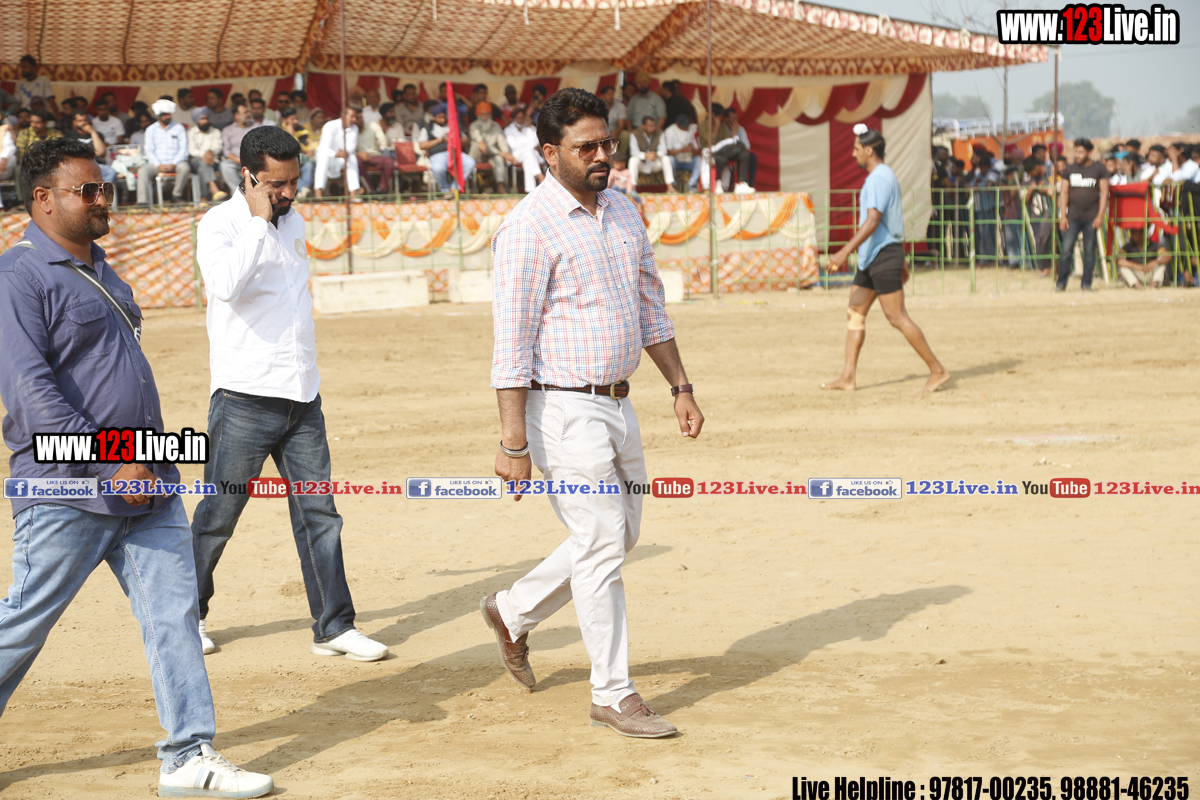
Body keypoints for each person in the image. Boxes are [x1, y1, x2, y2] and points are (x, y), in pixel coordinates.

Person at [0, 137, 273, 798]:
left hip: (147, 483)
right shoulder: (19, 276)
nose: (103, 200)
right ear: (43, 199)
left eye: (105, 188)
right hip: (67, 489)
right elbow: (31, 394)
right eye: (87, 190)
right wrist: (110, 463)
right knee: (23, 625)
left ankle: (188, 754)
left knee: (175, 617)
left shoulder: (102, 270)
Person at [486, 88, 703, 739]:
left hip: (619, 403)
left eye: (607, 143)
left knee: (619, 535)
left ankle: (512, 611)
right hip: (561, 409)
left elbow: (650, 308)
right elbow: (511, 344)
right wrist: (513, 443)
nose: (602, 155)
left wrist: (680, 385)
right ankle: (612, 692)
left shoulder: (624, 210)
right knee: (604, 540)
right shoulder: (527, 229)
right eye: (587, 147)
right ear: (549, 154)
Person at [193, 126, 388, 663]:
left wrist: (273, 216)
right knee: (219, 514)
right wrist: (258, 222)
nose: (286, 193)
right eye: (275, 184)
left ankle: (334, 627)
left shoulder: (295, 220)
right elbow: (225, 286)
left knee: (320, 514)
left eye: (293, 181)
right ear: (249, 176)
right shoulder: (220, 224)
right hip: (244, 397)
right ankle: (187, 616)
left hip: (303, 395)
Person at [822, 124, 949, 394]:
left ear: (869, 151)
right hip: (874, 256)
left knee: (896, 317)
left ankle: (938, 370)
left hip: (881, 255)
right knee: (855, 310)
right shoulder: (882, 176)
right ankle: (847, 377)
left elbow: (873, 220)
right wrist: (900, 259)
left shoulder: (879, 178)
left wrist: (844, 252)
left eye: (856, 149)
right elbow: (891, 222)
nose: (853, 154)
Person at [1056, 137, 1109, 292]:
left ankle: (1086, 284)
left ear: (1089, 153)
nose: (1077, 155)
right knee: (1066, 249)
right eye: (1076, 152)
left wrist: (1100, 216)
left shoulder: (1099, 169)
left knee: (1089, 251)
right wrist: (1063, 216)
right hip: (1072, 217)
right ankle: (1061, 284)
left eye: (1080, 152)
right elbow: (1064, 193)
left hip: (1091, 217)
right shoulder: (1069, 170)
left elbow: (1104, 193)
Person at [135, 99, 191, 204]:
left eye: (169, 114)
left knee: (185, 168)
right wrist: (158, 165)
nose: (168, 116)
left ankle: (176, 195)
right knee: (143, 171)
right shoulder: (151, 130)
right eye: (165, 115)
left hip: (176, 163)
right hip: (157, 164)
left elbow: (184, 150)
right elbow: (149, 151)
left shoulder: (179, 128)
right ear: (158, 116)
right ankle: (143, 201)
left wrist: (174, 163)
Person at [418, 102, 474, 196]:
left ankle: (454, 188)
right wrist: (439, 140)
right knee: (438, 168)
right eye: (439, 117)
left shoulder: (453, 126)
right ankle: (445, 190)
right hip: (437, 154)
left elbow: (466, 141)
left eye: (444, 117)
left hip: (455, 152)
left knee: (470, 163)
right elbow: (422, 145)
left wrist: (454, 140)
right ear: (434, 118)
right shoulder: (427, 128)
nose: (443, 119)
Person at [469, 102, 519, 193]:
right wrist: (501, 153)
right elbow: (482, 145)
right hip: (477, 155)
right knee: (480, 144)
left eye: (487, 114)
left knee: (499, 158)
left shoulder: (495, 125)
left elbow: (501, 140)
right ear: (478, 115)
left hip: (491, 155)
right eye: (483, 114)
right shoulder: (474, 126)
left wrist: (506, 152)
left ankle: (500, 185)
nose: (485, 116)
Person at [15, 110, 63, 201]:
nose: (33, 125)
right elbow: (21, 155)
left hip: (51, 163)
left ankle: (57, 198)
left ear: (45, 123)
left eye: (37, 122)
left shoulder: (56, 134)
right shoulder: (24, 133)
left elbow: (60, 153)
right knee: (18, 169)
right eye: (32, 122)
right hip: (31, 163)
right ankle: (23, 201)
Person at [314, 106, 361, 198]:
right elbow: (324, 147)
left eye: (355, 117)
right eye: (352, 117)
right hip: (328, 157)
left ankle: (354, 194)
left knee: (352, 157)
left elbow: (352, 146)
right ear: (343, 116)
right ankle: (318, 193)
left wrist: (346, 153)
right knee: (323, 157)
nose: (354, 120)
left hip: (341, 158)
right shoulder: (330, 125)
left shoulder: (355, 128)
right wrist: (335, 154)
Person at [64, 110, 118, 184]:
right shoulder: (69, 136)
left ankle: (101, 190)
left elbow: (101, 152)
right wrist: (92, 154)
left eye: (85, 120)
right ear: (74, 122)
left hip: (95, 164)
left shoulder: (98, 134)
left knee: (110, 171)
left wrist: (92, 132)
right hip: (77, 166)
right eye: (80, 121)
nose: (83, 123)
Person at [218, 102, 260, 195]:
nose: (248, 114)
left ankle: (257, 193)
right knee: (225, 166)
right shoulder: (228, 130)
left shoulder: (257, 127)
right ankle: (239, 193)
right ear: (237, 116)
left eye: (248, 112)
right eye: (245, 112)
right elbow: (226, 151)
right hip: (236, 161)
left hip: (254, 161)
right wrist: (239, 160)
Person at [504, 103, 543, 193]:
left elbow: (536, 143)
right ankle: (539, 176)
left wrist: (528, 128)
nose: (520, 120)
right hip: (516, 155)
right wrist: (529, 144)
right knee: (529, 151)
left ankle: (530, 190)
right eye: (518, 118)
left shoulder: (531, 128)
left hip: (531, 155)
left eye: (522, 117)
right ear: (514, 118)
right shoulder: (508, 130)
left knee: (528, 159)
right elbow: (514, 145)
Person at [189, 110, 227, 201]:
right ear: (197, 120)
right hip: (196, 161)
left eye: (206, 118)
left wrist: (210, 151)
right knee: (203, 163)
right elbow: (192, 151)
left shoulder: (215, 132)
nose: (205, 121)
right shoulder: (191, 132)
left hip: (213, 161)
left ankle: (204, 198)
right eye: (202, 119)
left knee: (203, 166)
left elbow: (218, 147)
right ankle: (214, 190)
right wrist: (206, 154)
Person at [355, 107, 394, 194]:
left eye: (361, 117)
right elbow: (347, 150)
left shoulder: (372, 126)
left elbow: (385, 143)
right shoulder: (351, 131)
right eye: (357, 118)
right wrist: (358, 154)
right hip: (361, 158)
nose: (360, 120)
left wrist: (384, 132)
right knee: (357, 162)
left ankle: (381, 190)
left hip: (375, 156)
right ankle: (370, 190)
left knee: (390, 162)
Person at [279, 108, 317, 196]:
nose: (296, 121)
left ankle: (303, 191)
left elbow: (303, 149)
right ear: (285, 120)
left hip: (299, 159)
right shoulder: (278, 129)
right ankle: (304, 190)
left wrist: (293, 134)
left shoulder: (302, 130)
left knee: (308, 164)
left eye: (296, 119)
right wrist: (291, 134)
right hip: (283, 160)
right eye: (292, 119)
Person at [628, 116, 672, 188]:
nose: (653, 128)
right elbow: (634, 152)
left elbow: (663, 150)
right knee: (633, 160)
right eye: (650, 126)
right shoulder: (635, 134)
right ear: (644, 126)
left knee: (666, 158)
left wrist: (655, 154)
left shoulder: (659, 132)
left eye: (654, 126)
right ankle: (633, 187)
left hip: (655, 163)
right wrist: (646, 155)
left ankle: (670, 186)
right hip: (642, 163)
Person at [664, 113, 700, 192]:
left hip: (689, 161)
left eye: (686, 125)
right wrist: (681, 150)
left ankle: (692, 185)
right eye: (683, 125)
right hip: (676, 162)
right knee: (670, 159)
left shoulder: (693, 128)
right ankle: (673, 186)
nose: (685, 127)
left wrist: (692, 150)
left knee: (699, 159)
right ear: (677, 124)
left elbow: (698, 151)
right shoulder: (669, 131)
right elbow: (669, 151)